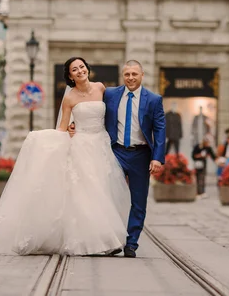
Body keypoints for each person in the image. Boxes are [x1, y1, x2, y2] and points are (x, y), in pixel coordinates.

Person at [0, 57, 131, 256]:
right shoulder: (70, 98)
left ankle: (105, 237)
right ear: (70, 76)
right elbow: (63, 127)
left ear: (87, 68)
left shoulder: (101, 88)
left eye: (82, 66)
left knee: (102, 189)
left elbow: (115, 110)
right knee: (89, 192)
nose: (80, 70)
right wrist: (48, 137)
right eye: (75, 69)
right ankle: (100, 241)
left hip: (101, 144)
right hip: (81, 146)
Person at [71, 59, 166, 258]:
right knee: (108, 196)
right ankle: (111, 240)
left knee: (138, 202)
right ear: (123, 76)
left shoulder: (154, 99)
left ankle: (131, 243)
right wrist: (74, 124)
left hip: (141, 155)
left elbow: (160, 129)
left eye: (134, 74)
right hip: (115, 152)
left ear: (142, 75)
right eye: (127, 74)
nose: (130, 78)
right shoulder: (111, 94)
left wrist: (157, 158)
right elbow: (91, 107)